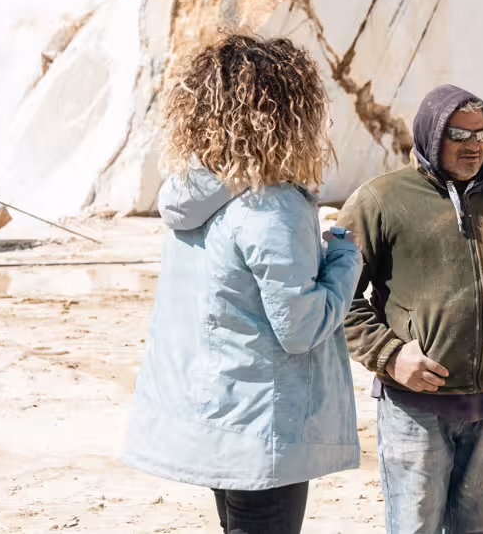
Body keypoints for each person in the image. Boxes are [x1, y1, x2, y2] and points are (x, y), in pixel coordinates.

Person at [123, 33, 361, 534]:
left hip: (219, 419)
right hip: (264, 427)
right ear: (285, 113)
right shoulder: (270, 204)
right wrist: (343, 257)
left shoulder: (194, 196)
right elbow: (299, 327)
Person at [339, 85, 483, 534]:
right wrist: (391, 356)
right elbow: (337, 296)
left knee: (478, 530)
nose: (474, 144)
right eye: (459, 133)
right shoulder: (380, 200)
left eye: (482, 133)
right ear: (431, 133)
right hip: (415, 408)